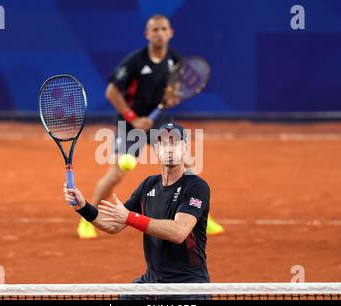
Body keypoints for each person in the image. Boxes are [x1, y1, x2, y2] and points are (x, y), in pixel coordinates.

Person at [76, 14, 224, 239]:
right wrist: (133, 118)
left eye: (164, 29)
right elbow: (112, 92)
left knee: (186, 166)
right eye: (155, 30)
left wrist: (172, 98)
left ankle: (201, 214)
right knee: (116, 174)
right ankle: (87, 219)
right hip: (130, 123)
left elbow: (173, 92)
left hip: (161, 123)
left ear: (170, 32)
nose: (160, 33)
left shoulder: (175, 59)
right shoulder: (135, 61)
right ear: (147, 34)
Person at [64, 123, 211, 288]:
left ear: (185, 148)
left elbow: (179, 232)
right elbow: (113, 226)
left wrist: (130, 217)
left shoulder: (196, 186)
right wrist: (83, 207)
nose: (169, 149)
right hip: (152, 283)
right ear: (156, 149)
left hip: (187, 286)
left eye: (175, 143)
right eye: (163, 143)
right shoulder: (148, 185)